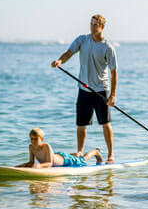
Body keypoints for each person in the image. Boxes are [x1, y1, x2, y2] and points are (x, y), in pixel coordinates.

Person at [51, 14, 118, 164]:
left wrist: (112, 96)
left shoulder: (108, 47)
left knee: (105, 123)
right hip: (84, 89)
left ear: (102, 27)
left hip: (101, 90)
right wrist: (60, 61)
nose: (92, 27)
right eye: (91, 24)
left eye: (95, 25)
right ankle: (80, 151)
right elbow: (69, 53)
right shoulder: (82, 40)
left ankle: (111, 155)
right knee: (81, 124)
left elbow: (114, 72)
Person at [16, 128, 103, 168]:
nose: (33, 141)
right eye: (31, 139)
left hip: (65, 159)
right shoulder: (31, 147)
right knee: (77, 156)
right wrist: (22, 166)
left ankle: (96, 152)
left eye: (36, 139)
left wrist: (39, 165)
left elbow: (49, 164)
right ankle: (76, 154)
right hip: (57, 156)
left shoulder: (46, 146)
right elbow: (31, 162)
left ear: (42, 139)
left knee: (83, 160)